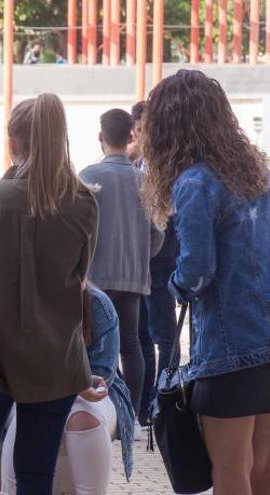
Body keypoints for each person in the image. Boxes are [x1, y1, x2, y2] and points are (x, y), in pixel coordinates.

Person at [141, 69, 270, 495]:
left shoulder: (195, 182)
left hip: (232, 351)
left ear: (168, 128)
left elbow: (196, 271)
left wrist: (174, 286)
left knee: (229, 471)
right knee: (265, 463)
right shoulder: (263, 177)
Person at [0, 94, 100, 494]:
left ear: (13, 142)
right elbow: (81, 275)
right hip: (56, 356)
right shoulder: (83, 202)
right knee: (36, 473)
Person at [1, 286, 135, 494]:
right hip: (34, 393)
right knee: (25, 418)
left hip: (93, 395)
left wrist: (65, 381)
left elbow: (101, 378)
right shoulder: (25, 300)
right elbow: (16, 372)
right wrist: (70, 380)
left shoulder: (97, 303)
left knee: (83, 415)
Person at [78, 109, 164, 426]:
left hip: (94, 278)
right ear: (131, 135)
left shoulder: (87, 176)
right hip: (132, 277)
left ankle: (100, 412)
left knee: (95, 345)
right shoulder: (144, 180)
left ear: (101, 138)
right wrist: (142, 257)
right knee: (131, 345)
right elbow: (159, 233)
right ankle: (136, 416)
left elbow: (75, 229)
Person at [129, 100, 178, 426]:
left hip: (161, 262)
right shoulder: (139, 166)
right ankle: (148, 406)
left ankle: (164, 403)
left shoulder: (165, 166)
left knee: (164, 337)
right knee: (144, 337)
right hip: (145, 262)